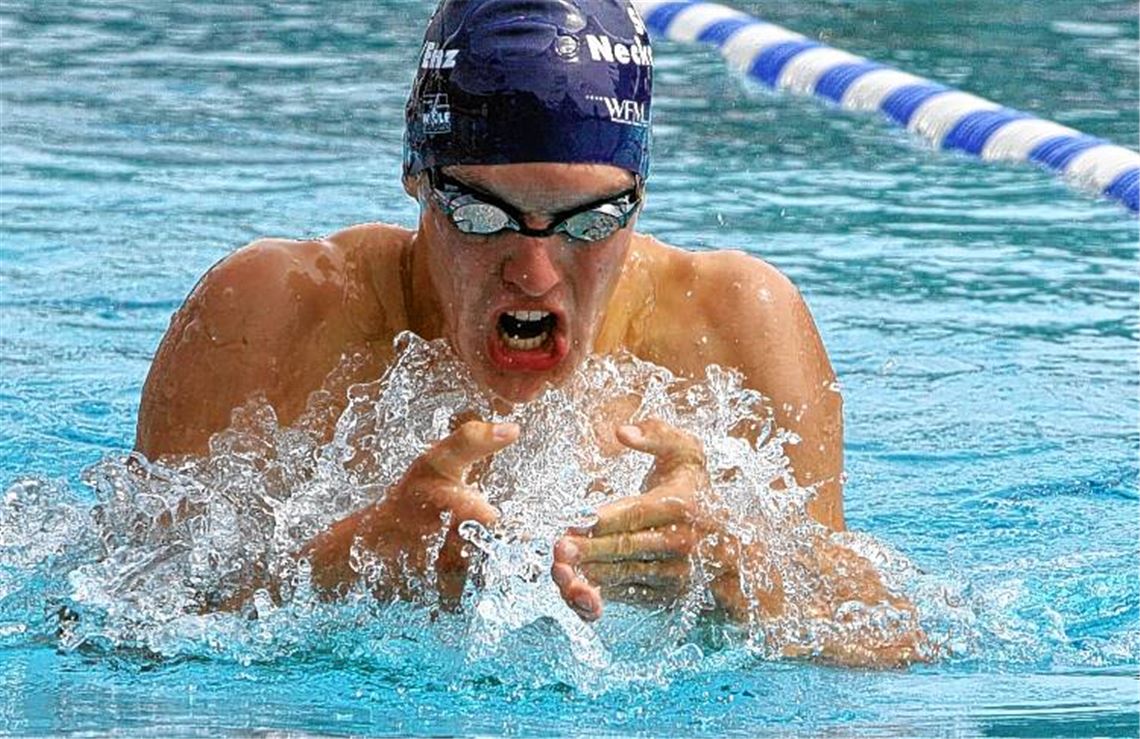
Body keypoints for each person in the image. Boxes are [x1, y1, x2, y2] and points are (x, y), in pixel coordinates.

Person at [135, 0, 925, 665]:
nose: (538, 274)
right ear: (418, 176)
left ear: (640, 196)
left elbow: (895, 643)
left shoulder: (736, 321)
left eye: (593, 220)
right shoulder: (276, 310)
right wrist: (353, 560)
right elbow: (117, 617)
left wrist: (742, 574)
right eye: (484, 216)